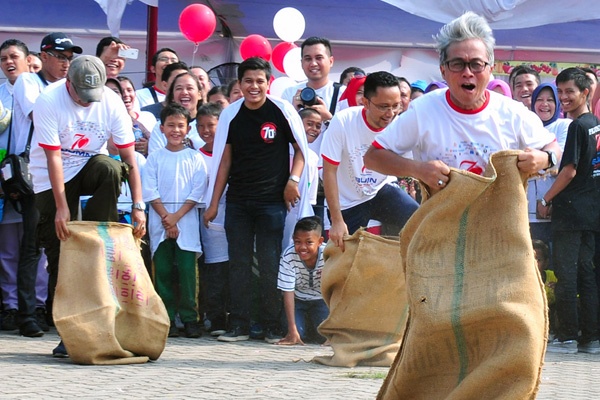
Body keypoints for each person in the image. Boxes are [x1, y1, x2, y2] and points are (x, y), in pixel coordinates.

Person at [364, 12, 560, 192]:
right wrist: (418, 169)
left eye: (476, 64)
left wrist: (545, 159)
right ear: (443, 70)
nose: (468, 73)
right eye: (457, 64)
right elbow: (372, 157)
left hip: (500, 224)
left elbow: (554, 149)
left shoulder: (513, 112)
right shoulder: (423, 110)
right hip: (442, 223)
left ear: (490, 69)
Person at [30, 55, 146, 357]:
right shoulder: (48, 100)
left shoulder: (110, 100)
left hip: (89, 167)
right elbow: (54, 157)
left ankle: (99, 233)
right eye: (81, 96)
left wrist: (138, 204)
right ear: (69, 83)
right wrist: (61, 208)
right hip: (50, 178)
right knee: (62, 253)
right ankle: (67, 334)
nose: (85, 103)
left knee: (110, 167)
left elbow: (128, 156)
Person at [203, 57, 312, 344]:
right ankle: (238, 324)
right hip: (238, 201)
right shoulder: (231, 115)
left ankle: (271, 326)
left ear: (268, 83)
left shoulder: (281, 111)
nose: (254, 86)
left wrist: (293, 180)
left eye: (259, 81)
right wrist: (214, 202)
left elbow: (301, 150)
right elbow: (223, 161)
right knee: (237, 264)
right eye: (248, 81)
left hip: (272, 203)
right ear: (239, 84)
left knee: (269, 263)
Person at [10, 33, 84, 337]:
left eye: (70, 59)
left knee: (65, 245)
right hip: (36, 174)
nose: (66, 64)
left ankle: (57, 310)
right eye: (59, 57)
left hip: (68, 172)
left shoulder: (69, 90)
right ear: (41, 57)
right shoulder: (30, 82)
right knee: (33, 244)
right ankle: (27, 314)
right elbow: (37, 114)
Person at [537, 68, 600, 354]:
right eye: (559, 92)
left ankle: (567, 337)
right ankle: (591, 336)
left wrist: (547, 199)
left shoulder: (576, 127)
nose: (563, 98)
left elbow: (570, 170)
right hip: (590, 214)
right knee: (586, 275)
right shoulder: (594, 123)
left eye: (569, 92)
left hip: (571, 214)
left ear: (586, 92)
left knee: (567, 275)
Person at [322, 71, 419, 251]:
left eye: (395, 106)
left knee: (420, 222)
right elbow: (329, 172)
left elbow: (414, 166)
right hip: (346, 201)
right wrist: (336, 221)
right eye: (383, 106)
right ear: (365, 102)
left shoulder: (400, 125)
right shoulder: (344, 121)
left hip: (379, 192)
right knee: (343, 255)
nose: (390, 114)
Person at [143, 103, 207, 339]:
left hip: (186, 224)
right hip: (160, 223)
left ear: (188, 129)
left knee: (188, 275)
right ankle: (165, 319)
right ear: (162, 128)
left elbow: (197, 191)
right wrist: (166, 220)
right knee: (163, 273)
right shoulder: (155, 158)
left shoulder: (195, 158)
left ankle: (190, 319)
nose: (176, 130)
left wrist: (176, 219)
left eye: (181, 125)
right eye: (171, 125)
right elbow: (150, 190)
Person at [0, 39, 49, 334]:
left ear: (29, 59)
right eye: (4, 57)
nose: (9, 62)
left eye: (14, 56)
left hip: (37, 175)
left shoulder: (42, 92)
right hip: (7, 177)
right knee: (7, 248)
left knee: (36, 246)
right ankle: (10, 305)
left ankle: (39, 305)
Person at [196, 103, 229, 336]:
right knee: (213, 269)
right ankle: (214, 317)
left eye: (211, 125)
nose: (206, 130)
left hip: (231, 217)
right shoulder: (195, 156)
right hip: (205, 221)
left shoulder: (230, 153)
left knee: (231, 268)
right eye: (201, 126)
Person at [282, 37, 345, 153]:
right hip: (296, 163)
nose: (313, 63)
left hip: (329, 165)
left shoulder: (342, 93)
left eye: (319, 58)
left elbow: (349, 135)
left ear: (331, 61)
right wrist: (293, 111)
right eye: (308, 59)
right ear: (301, 63)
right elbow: (281, 133)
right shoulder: (290, 93)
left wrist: (328, 118)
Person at [527, 82, 571, 244]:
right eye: (539, 99)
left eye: (550, 100)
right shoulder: (525, 127)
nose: (544, 104)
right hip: (525, 210)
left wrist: (532, 165)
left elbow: (560, 162)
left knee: (550, 262)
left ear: (557, 103)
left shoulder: (564, 125)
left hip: (552, 208)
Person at [276, 216, 327, 345]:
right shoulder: (288, 256)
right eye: (298, 242)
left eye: (309, 242)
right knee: (298, 333)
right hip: (298, 301)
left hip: (322, 300)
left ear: (320, 241)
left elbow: (339, 289)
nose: (302, 247)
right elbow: (288, 292)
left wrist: (335, 333)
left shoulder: (329, 254)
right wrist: (292, 330)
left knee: (323, 335)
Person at [148, 71, 205, 155]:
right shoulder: (161, 126)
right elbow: (155, 158)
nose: (184, 92)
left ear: (199, 94)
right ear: (172, 96)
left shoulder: (207, 124)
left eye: (189, 88)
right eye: (179, 88)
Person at [117, 76, 157, 157]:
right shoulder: (111, 121)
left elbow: (159, 144)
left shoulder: (149, 116)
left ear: (135, 94)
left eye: (129, 90)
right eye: (121, 91)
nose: (126, 94)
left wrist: (149, 146)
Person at [532, 239, 557, 334]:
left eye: (538, 260)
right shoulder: (522, 281)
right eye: (531, 259)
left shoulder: (552, 276)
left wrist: (558, 289)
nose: (534, 263)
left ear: (546, 262)